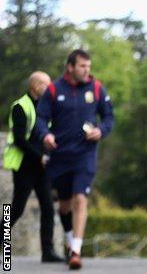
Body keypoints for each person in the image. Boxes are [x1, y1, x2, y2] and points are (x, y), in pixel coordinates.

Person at [36, 49, 114, 270]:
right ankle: (70, 242)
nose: (87, 71)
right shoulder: (53, 90)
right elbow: (41, 119)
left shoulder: (96, 88)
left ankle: (76, 250)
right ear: (70, 67)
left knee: (80, 199)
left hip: (85, 154)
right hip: (60, 155)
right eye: (82, 66)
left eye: (89, 67)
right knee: (64, 206)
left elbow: (109, 116)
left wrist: (101, 130)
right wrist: (46, 135)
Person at [3, 71, 63, 263]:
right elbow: (20, 140)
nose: (50, 87)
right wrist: (40, 157)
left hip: (42, 167)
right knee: (16, 208)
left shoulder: (48, 108)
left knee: (48, 207)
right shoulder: (21, 106)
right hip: (24, 165)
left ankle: (48, 251)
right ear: (35, 87)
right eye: (46, 84)